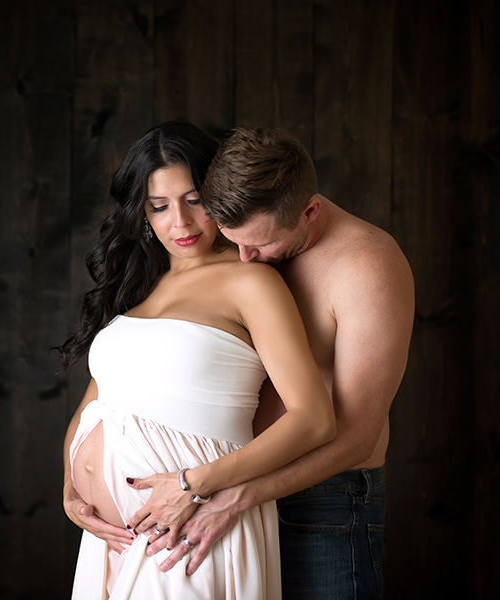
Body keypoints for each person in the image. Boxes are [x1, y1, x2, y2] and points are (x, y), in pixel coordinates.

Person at [127, 127, 415, 599]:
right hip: (225, 487)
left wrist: (232, 496)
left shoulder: (366, 266)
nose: (246, 259)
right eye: (234, 241)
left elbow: (359, 436)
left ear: (309, 212)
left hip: (322, 502)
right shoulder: (246, 234)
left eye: (260, 246)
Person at [57, 121, 337, 599]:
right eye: (159, 206)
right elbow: (97, 402)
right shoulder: (140, 284)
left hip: (191, 528)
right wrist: (70, 488)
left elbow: (314, 419)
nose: (181, 223)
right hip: (113, 539)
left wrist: (192, 485)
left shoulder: (251, 283)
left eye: (194, 200)